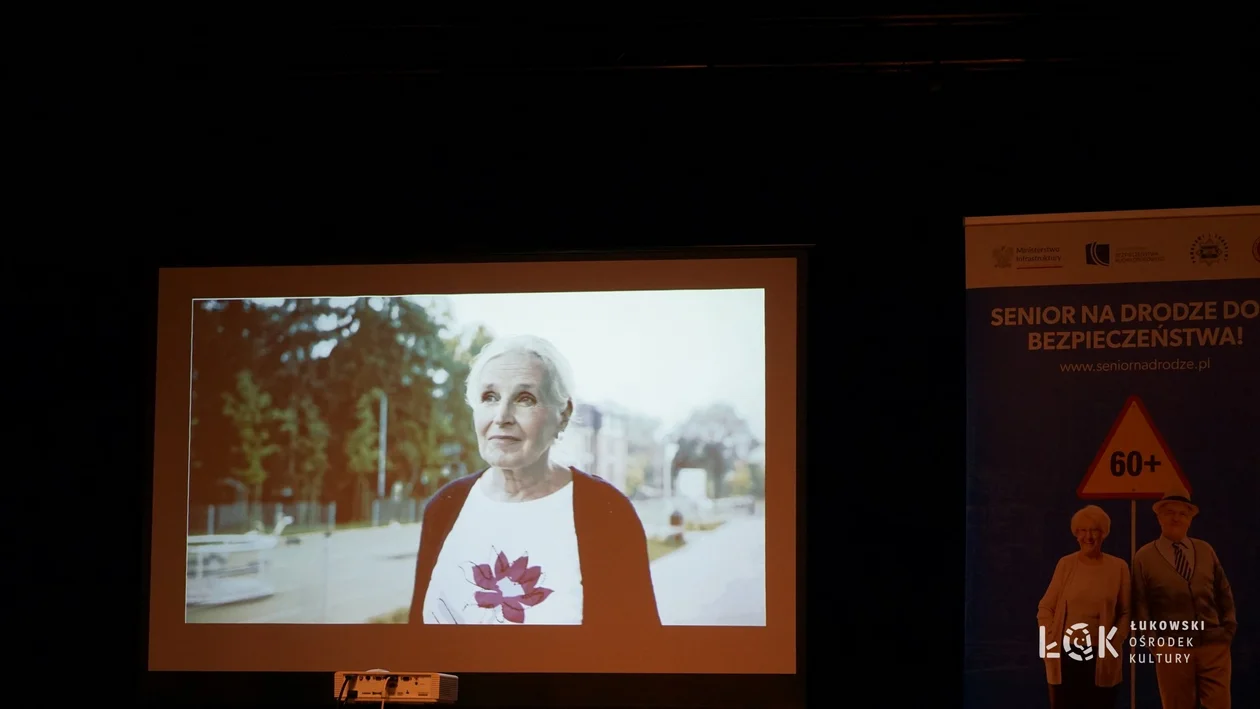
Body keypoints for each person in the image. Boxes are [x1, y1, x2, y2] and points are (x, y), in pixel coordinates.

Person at [408, 334, 660, 626]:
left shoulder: (606, 511)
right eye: (490, 397)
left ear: (563, 414)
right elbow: (417, 641)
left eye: (524, 399)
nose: (502, 416)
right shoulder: (444, 507)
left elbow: (640, 651)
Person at [1132, 493, 1236, 709]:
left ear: (1190, 519)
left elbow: (1223, 592)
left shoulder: (1205, 550)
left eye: (1183, 514)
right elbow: (1140, 606)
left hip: (1214, 646)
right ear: (1159, 517)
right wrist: (1156, 644)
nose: (1176, 518)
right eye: (1169, 512)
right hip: (1172, 649)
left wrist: (1228, 630)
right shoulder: (1144, 557)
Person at [1037, 505, 1130, 709]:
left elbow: (1126, 613)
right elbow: (1045, 607)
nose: (1088, 536)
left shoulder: (1119, 567)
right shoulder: (1066, 564)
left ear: (1103, 533)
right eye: (1083, 530)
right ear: (1076, 534)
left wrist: (1115, 640)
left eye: (1094, 530)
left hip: (1102, 656)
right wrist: (1050, 638)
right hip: (1065, 655)